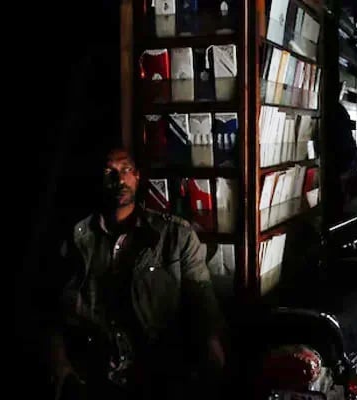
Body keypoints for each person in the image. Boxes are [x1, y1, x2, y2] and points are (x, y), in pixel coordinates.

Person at [47, 148, 226, 399]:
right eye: (109, 172)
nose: (119, 179)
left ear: (137, 177)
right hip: (95, 374)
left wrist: (211, 350)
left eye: (126, 170)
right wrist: (60, 364)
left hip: (156, 374)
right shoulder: (78, 238)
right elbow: (56, 309)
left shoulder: (175, 235)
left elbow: (202, 299)